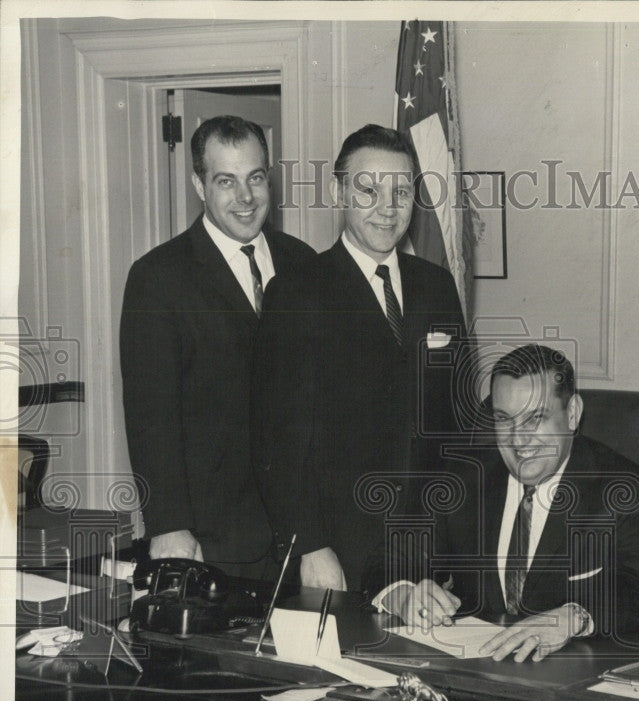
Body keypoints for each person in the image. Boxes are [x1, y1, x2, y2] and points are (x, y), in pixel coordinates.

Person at [253, 124, 467, 594]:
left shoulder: (437, 286)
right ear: (338, 192)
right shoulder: (297, 291)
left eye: (401, 191)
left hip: (428, 557)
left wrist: (457, 552)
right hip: (339, 555)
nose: (387, 209)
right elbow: (278, 440)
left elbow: (457, 428)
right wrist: (310, 546)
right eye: (368, 190)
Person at [378, 344, 639, 662]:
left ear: (572, 413)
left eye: (535, 419)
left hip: (570, 674)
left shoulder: (623, 486)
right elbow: (389, 557)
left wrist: (575, 616)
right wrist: (404, 595)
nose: (518, 440)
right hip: (473, 672)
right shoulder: (465, 477)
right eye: (504, 420)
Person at [120, 116, 316, 578]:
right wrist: (168, 526)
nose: (245, 198)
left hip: (301, 539)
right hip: (210, 541)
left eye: (256, 178)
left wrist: (317, 536)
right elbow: (151, 417)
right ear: (199, 184)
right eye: (225, 181)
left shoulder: (302, 262)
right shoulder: (158, 278)